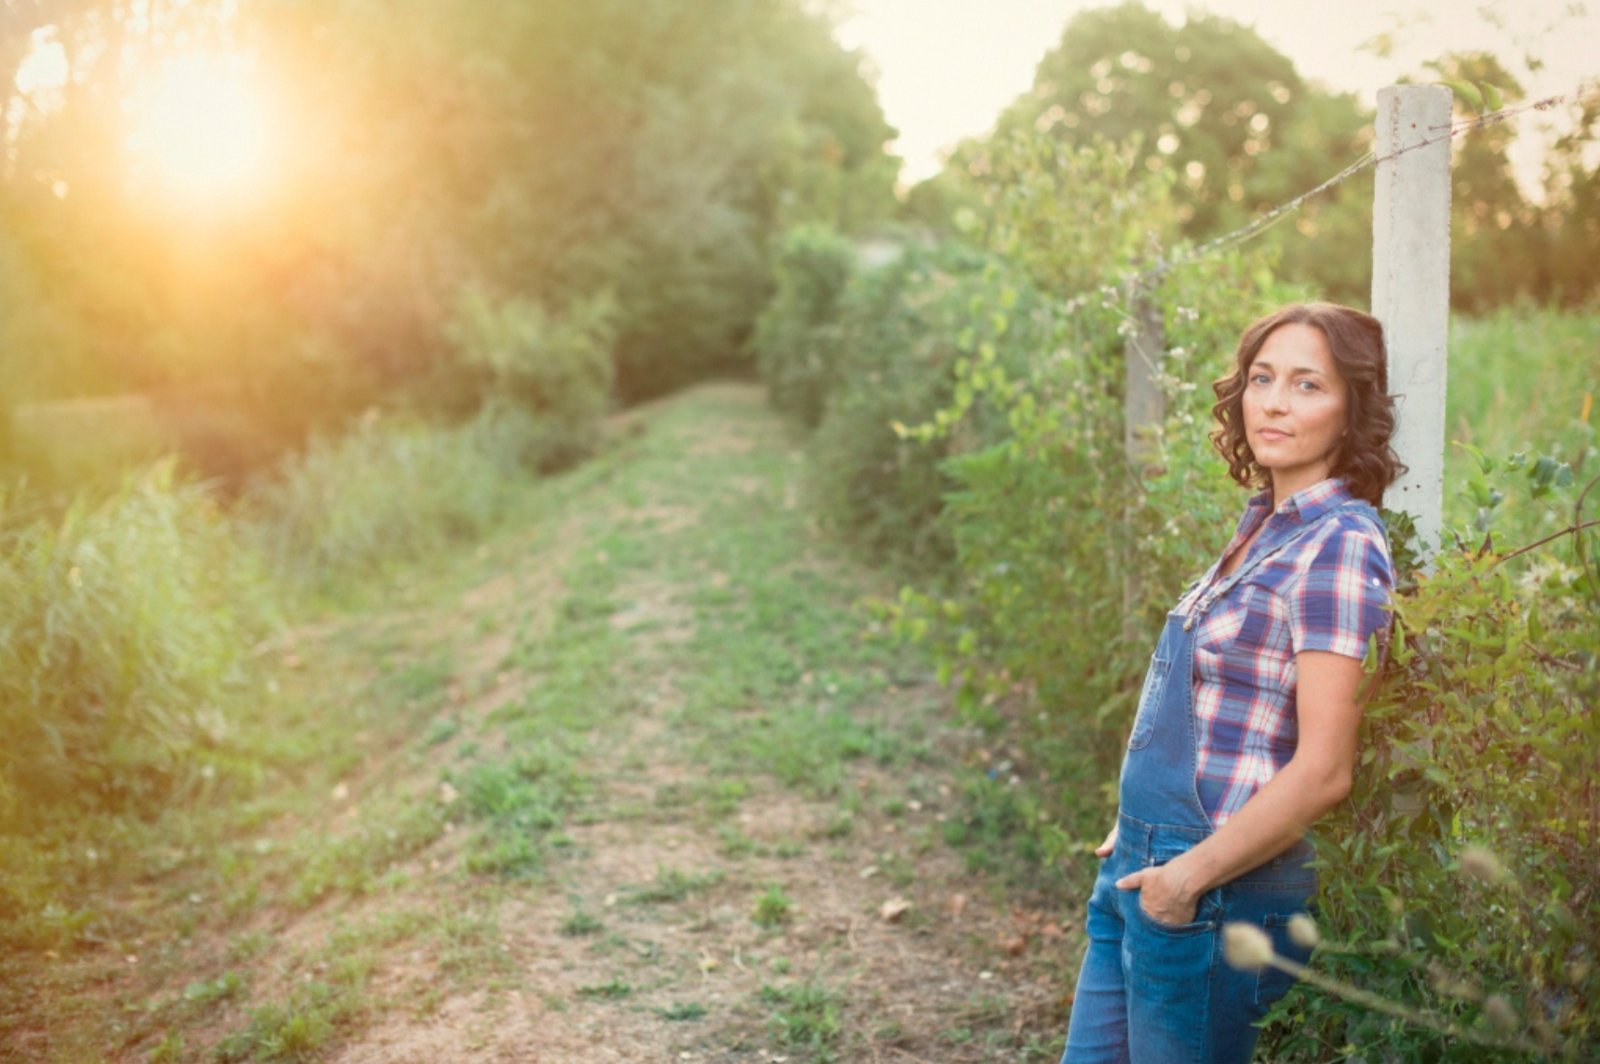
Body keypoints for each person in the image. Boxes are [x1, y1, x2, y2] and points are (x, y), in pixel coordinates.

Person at [1058, 302, 1405, 1063]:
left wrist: (1183, 879)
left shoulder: (1340, 547)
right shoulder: (1263, 525)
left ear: (1352, 410)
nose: (1275, 402)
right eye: (1262, 378)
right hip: (1141, 867)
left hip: (1213, 887)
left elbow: (1324, 770)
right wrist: (1135, 820)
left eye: (1308, 385)